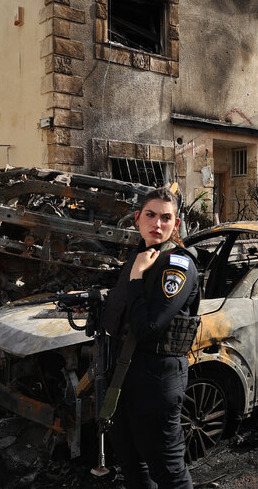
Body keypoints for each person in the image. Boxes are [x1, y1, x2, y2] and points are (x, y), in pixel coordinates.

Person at [103, 188, 199, 488]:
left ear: (177, 224)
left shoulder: (177, 266)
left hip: (157, 382)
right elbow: (123, 314)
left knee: (169, 472)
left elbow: (148, 328)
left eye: (166, 218)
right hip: (124, 376)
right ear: (137, 219)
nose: (157, 224)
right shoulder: (140, 255)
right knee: (132, 465)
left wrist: (134, 278)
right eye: (151, 215)